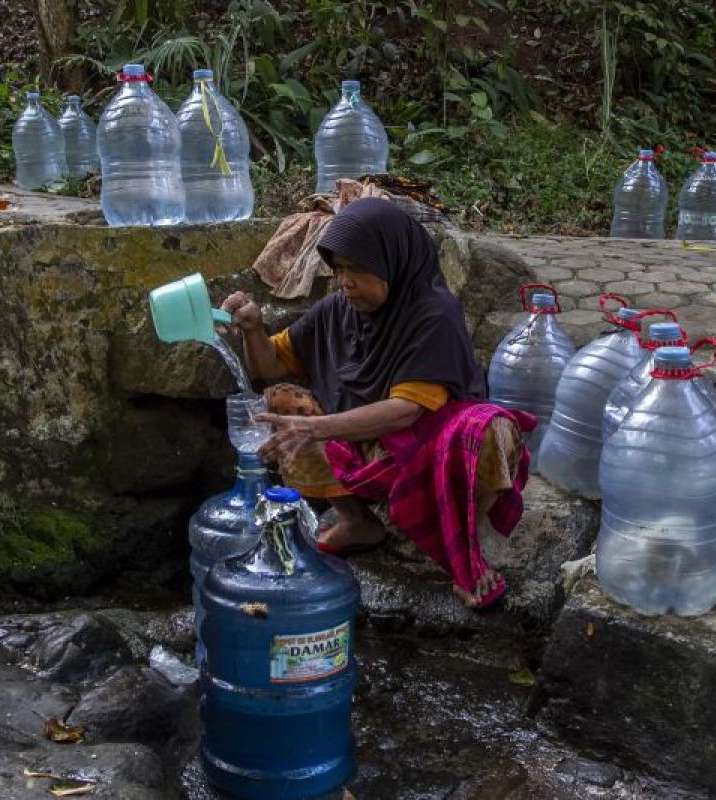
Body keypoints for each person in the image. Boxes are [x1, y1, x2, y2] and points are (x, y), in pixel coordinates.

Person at [220, 198, 534, 609]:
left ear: (393, 262)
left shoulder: (432, 314)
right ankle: (356, 520)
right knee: (283, 401)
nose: (347, 281)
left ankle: (464, 548)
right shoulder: (338, 309)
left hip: (430, 445)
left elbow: (407, 410)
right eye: (340, 269)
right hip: (368, 450)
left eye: (359, 269)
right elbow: (271, 364)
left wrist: (316, 428)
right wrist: (253, 328)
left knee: (490, 428)